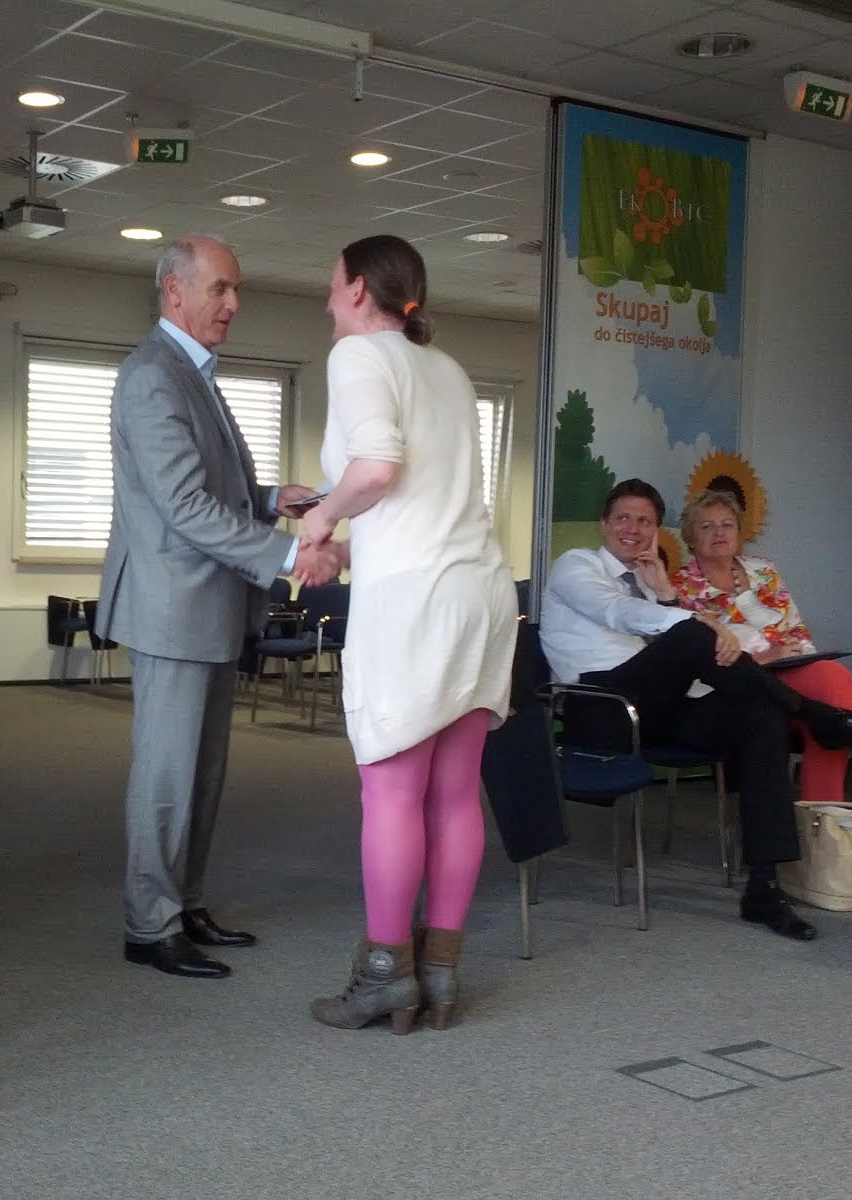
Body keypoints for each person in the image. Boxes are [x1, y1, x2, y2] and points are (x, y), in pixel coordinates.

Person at [96, 234, 339, 980]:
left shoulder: (192, 370)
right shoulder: (152, 376)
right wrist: (290, 554)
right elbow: (183, 506)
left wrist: (268, 499)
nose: (234, 304)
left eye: (236, 291)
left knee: (201, 774)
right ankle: (150, 923)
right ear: (175, 291)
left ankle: (184, 902)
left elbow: (208, 486)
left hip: (207, 605)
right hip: (173, 607)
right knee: (167, 776)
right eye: (221, 289)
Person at [539, 479, 852, 941]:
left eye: (645, 521)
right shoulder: (576, 565)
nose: (633, 529)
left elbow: (670, 645)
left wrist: (666, 593)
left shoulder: (650, 579)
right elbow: (617, 613)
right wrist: (698, 620)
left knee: (761, 718)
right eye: (623, 518)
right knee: (694, 635)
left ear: (656, 530)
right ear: (604, 524)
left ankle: (764, 888)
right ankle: (822, 717)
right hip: (598, 709)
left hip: (655, 709)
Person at [299, 234, 517, 1033]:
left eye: (333, 283)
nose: (328, 298)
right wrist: (347, 544)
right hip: (478, 593)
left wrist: (320, 520)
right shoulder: (447, 369)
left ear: (359, 289)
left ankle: (385, 977)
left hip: (415, 607)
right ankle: (441, 973)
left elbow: (378, 467)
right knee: (455, 793)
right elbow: (428, 506)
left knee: (391, 792)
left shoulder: (359, 355)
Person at [671, 489, 852, 814]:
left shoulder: (763, 571)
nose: (719, 532)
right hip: (733, 690)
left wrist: (794, 657)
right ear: (690, 538)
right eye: (707, 526)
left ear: (738, 532)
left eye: (727, 524)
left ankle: (822, 827)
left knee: (831, 722)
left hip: (791, 678)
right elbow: (698, 659)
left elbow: (796, 631)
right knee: (833, 697)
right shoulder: (680, 587)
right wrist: (764, 658)